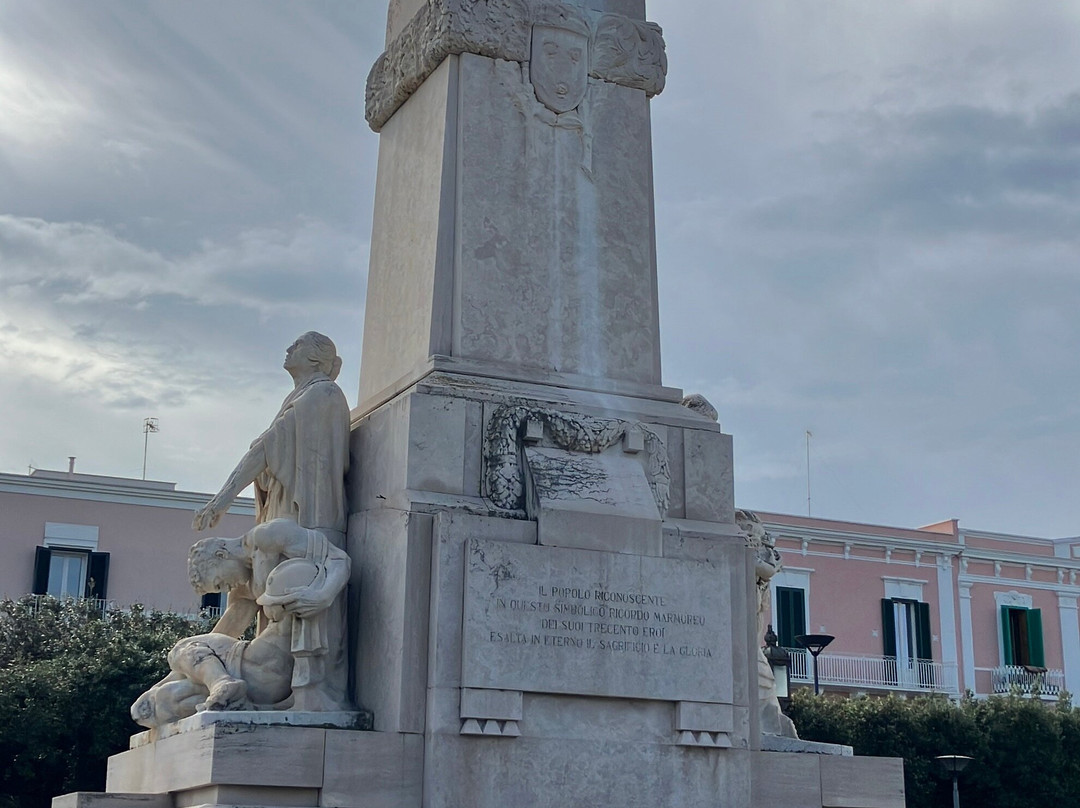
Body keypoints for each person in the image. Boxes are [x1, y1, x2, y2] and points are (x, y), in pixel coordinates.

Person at [191, 332, 352, 710]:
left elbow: (266, 449)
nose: (287, 350)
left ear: (315, 359)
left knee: (312, 630)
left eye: (295, 346)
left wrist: (222, 499)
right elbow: (234, 617)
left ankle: (313, 698)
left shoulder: (322, 394)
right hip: (291, 516)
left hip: (310, 517)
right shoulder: (298, 399)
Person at [131, 519, 351, 728]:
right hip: (259, 671)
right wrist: (161, 683)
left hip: (275, 665)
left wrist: (324, 595)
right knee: (167, 699)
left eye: (218, 584)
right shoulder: (244, 588)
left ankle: (221, 682)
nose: (225, 589)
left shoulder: (268, 535)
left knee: (179, 649)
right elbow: (213, 645)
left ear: (220, 554)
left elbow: (338, 559)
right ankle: (220, 684)